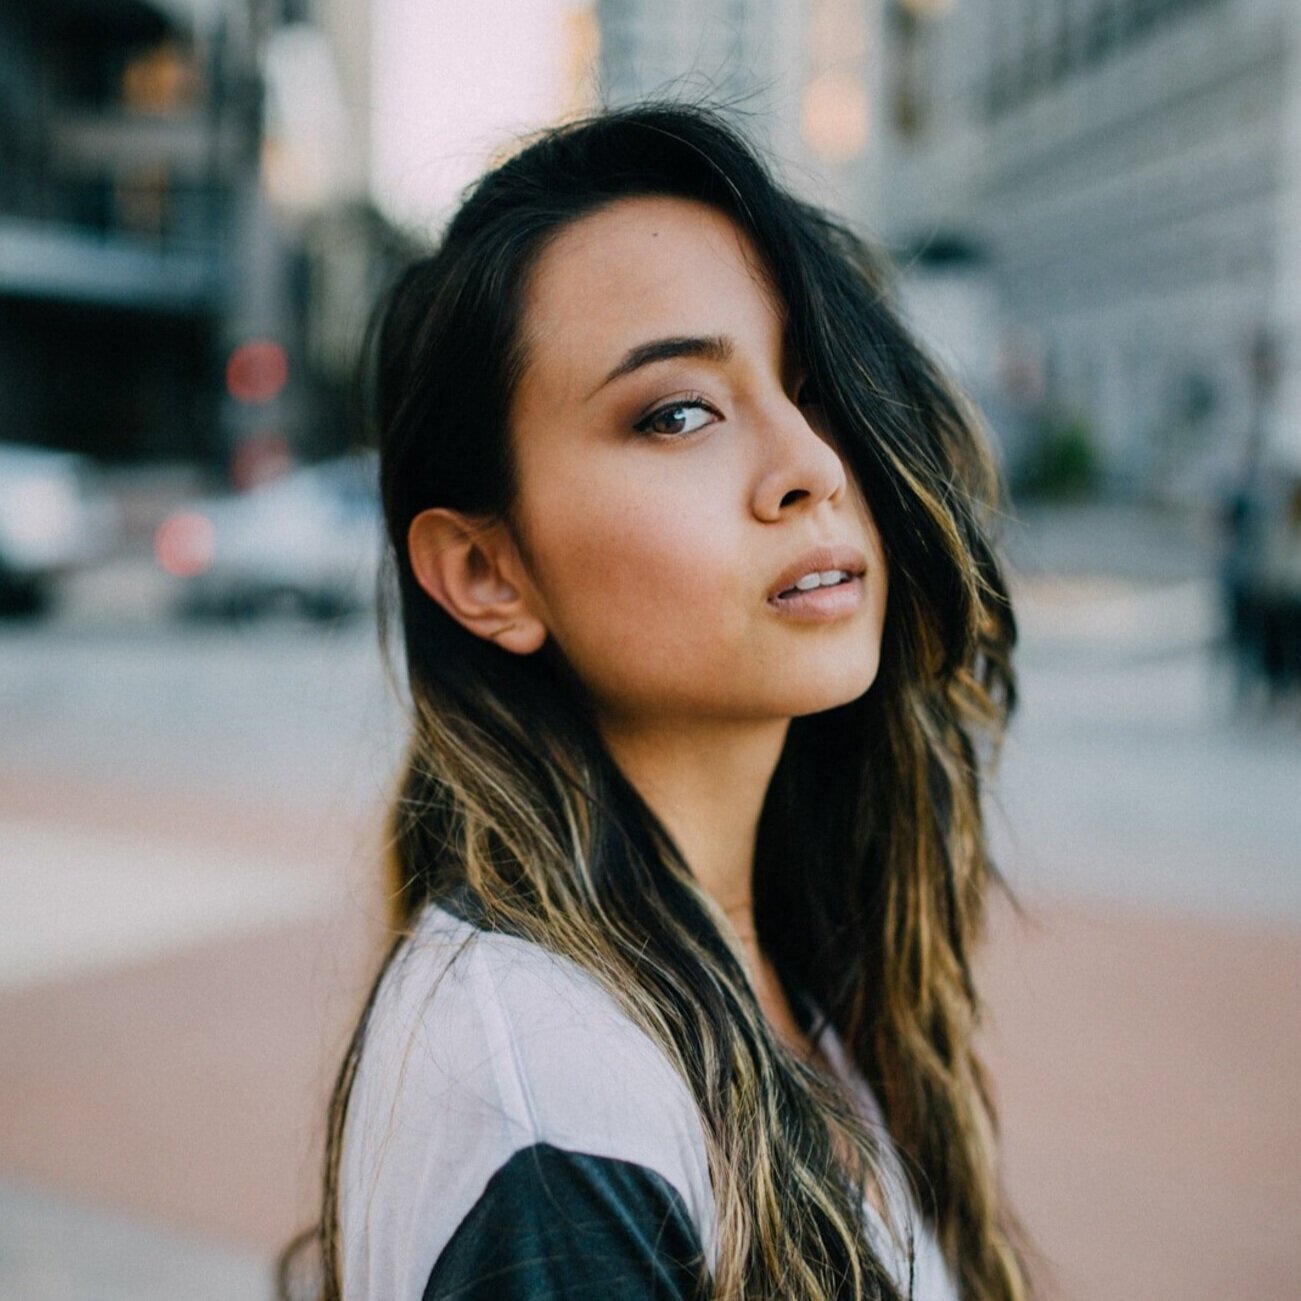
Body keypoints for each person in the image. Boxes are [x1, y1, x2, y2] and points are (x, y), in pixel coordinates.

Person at [291, 103, 1028, 1301]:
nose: (811, 465)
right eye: (677, 410)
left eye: (810, 386)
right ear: (489, 572)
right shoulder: (549, 1104)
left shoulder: (776, 952)